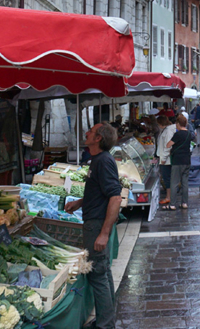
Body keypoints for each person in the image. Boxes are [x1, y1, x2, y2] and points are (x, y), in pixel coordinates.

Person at [64, 123, 121, 329]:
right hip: (94, 223)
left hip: (96, 225)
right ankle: (107, 319)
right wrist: (79, 202)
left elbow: (115, 197)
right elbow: (100, 191)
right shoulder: (96, 160)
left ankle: (105, 325)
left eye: (91, 131)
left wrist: (104, 233)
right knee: (103, 273)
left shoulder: (103, 161)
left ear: (98, 138)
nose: (86, 132)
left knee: (98, 275)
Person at [167, 115, 192, 211]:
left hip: (177, 161)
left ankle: (173, 204)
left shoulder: (177, 134)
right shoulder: (189, 134)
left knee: (174, 182)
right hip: (187, 160)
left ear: (178, 124)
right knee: (185, 183)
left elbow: (168, 144)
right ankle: (185, 203)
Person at [155, 115, 175, 206]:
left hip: (166, 160)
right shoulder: (166, 130)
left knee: (167, 179)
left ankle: (168, 197)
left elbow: (167, 146)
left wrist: (162, 159)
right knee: (168, 178)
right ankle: (169, 196)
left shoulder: (168, 131)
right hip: (165, 158)